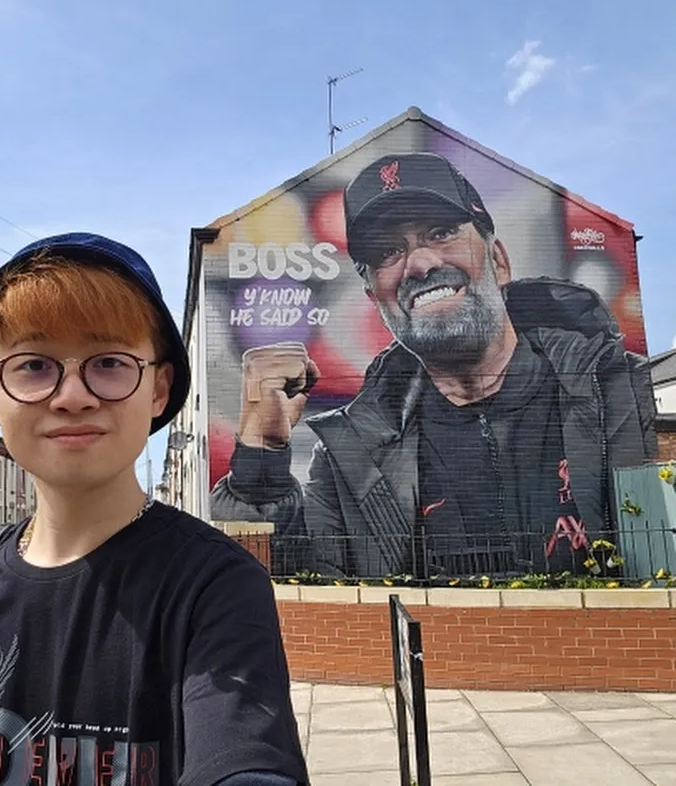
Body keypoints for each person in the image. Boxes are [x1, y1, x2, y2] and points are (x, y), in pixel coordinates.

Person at [0, 233, 308, 786]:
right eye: (34, 365)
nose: (72, 396)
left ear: (158, 389)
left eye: (109, 362)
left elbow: (245, 761)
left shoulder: (215, 584)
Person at [211, 153, 657, 578]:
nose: (420, 264)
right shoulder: (348, 458)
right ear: (375, 300)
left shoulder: (621, 394)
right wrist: (260, 461)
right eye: (388, 253)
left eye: (442, 232)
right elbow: (290, 590)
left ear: (498, 261)